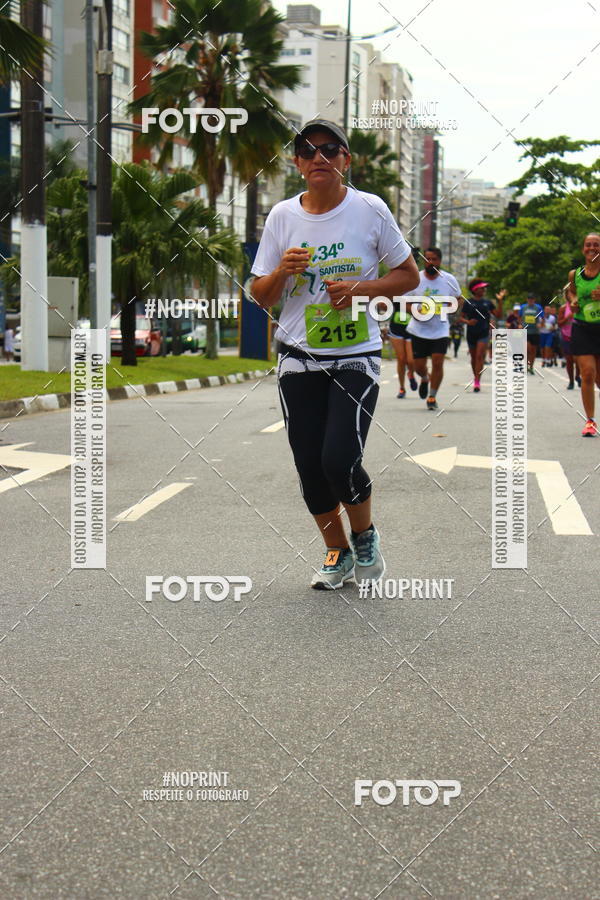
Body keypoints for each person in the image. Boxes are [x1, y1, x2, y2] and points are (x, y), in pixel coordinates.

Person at [251, 118, 419, 588]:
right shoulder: (283, 217)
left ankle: (364, 535)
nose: (318, 157)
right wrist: (282, 271)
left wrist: (362, 289)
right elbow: (259, 295)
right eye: (307, 150)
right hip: (298, 356)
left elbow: (408, 276)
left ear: (346, 159)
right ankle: (336, 551)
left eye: (330, 149)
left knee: (338, 457)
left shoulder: (371, 209)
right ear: (297, 163)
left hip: (355, 354)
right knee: (308, 463)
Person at [403, 247, 462, 410]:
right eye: (428, 259)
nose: (431, 262)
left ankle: (432, 396)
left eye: (434, 259)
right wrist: (415, 311)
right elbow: (405, 302)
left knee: (438, 362)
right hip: (419, 330)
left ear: (440, 261)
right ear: (424, 260)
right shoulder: (416, 279)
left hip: (440, 329)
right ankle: (424, 378)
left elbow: (458, 299)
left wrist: (452, 310)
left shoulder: (449, 279)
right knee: (418, 366)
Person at [567, 232, 600, 436]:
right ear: (583, 249)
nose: (592, 248)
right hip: (582, 327)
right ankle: (590, 421)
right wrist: (573, 300)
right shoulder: (575, 274)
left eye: (596, 245)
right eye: (588, 245)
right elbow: (571, 292)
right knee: (587, 373)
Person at [459, 281, 505, 391]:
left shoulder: (488, 303)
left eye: (485, 289)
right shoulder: (468, 303)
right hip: (471, 333)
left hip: (483, 332)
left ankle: (477, 381)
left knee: (480, 356)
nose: (484, 290)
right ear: (475, 290)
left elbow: (498, 315)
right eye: (482, 288)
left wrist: (500, 301)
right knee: (474, 358)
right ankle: (475, 376)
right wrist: (468, 322)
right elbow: (461, 318)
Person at [386, 297, 417, 397]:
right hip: (396, 327)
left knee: (411, 360)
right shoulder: (397, 288)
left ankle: (411, 374)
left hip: (412, 327)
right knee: (401, 359)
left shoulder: (416, 288)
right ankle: (402, 388)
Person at [557, 289, 578, 389]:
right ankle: (571, 381)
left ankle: (578, 376)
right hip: (566, 336)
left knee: (578, 359)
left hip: (579, 335)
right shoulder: (563, 308)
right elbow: (559, 323)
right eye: (570, 293)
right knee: (569, 360)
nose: (572, 295)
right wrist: (568, 317)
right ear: (567, 295)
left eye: (574, 293)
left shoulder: (579, 306)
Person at [519, 292, 543, 373]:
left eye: (532, 299)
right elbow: (519, 317)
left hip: (535, 331)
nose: (530, 300)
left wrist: (540, 324)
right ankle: (525, 365)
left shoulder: (538, 307)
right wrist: (520, 324)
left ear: (534, 300)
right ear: (527, 300)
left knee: (533, 350)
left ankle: (531, 367)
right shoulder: (523, 307)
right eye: (529, 299)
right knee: (527, 348)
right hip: (526, 330)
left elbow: (542, 317)